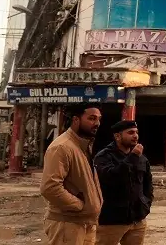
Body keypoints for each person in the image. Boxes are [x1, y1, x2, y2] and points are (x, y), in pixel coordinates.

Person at [40, 104, 103, 245]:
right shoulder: (62, 147)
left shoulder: (83, 146)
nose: (97, 123)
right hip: (67, 223)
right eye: (92, 118)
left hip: (85, 222)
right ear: (76, 120)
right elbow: (50, 187)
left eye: (99, 119)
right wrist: (79, 205)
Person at [93, 120, 153, 245]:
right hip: (111, 221)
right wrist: (132, 157)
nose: (135, 136)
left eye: (136, 132)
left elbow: (147, 185)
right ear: (117, 136)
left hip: (137, 220)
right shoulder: (104, 156)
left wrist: (145, 204)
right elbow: (111, 177)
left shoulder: (141, 158)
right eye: (130, 133)